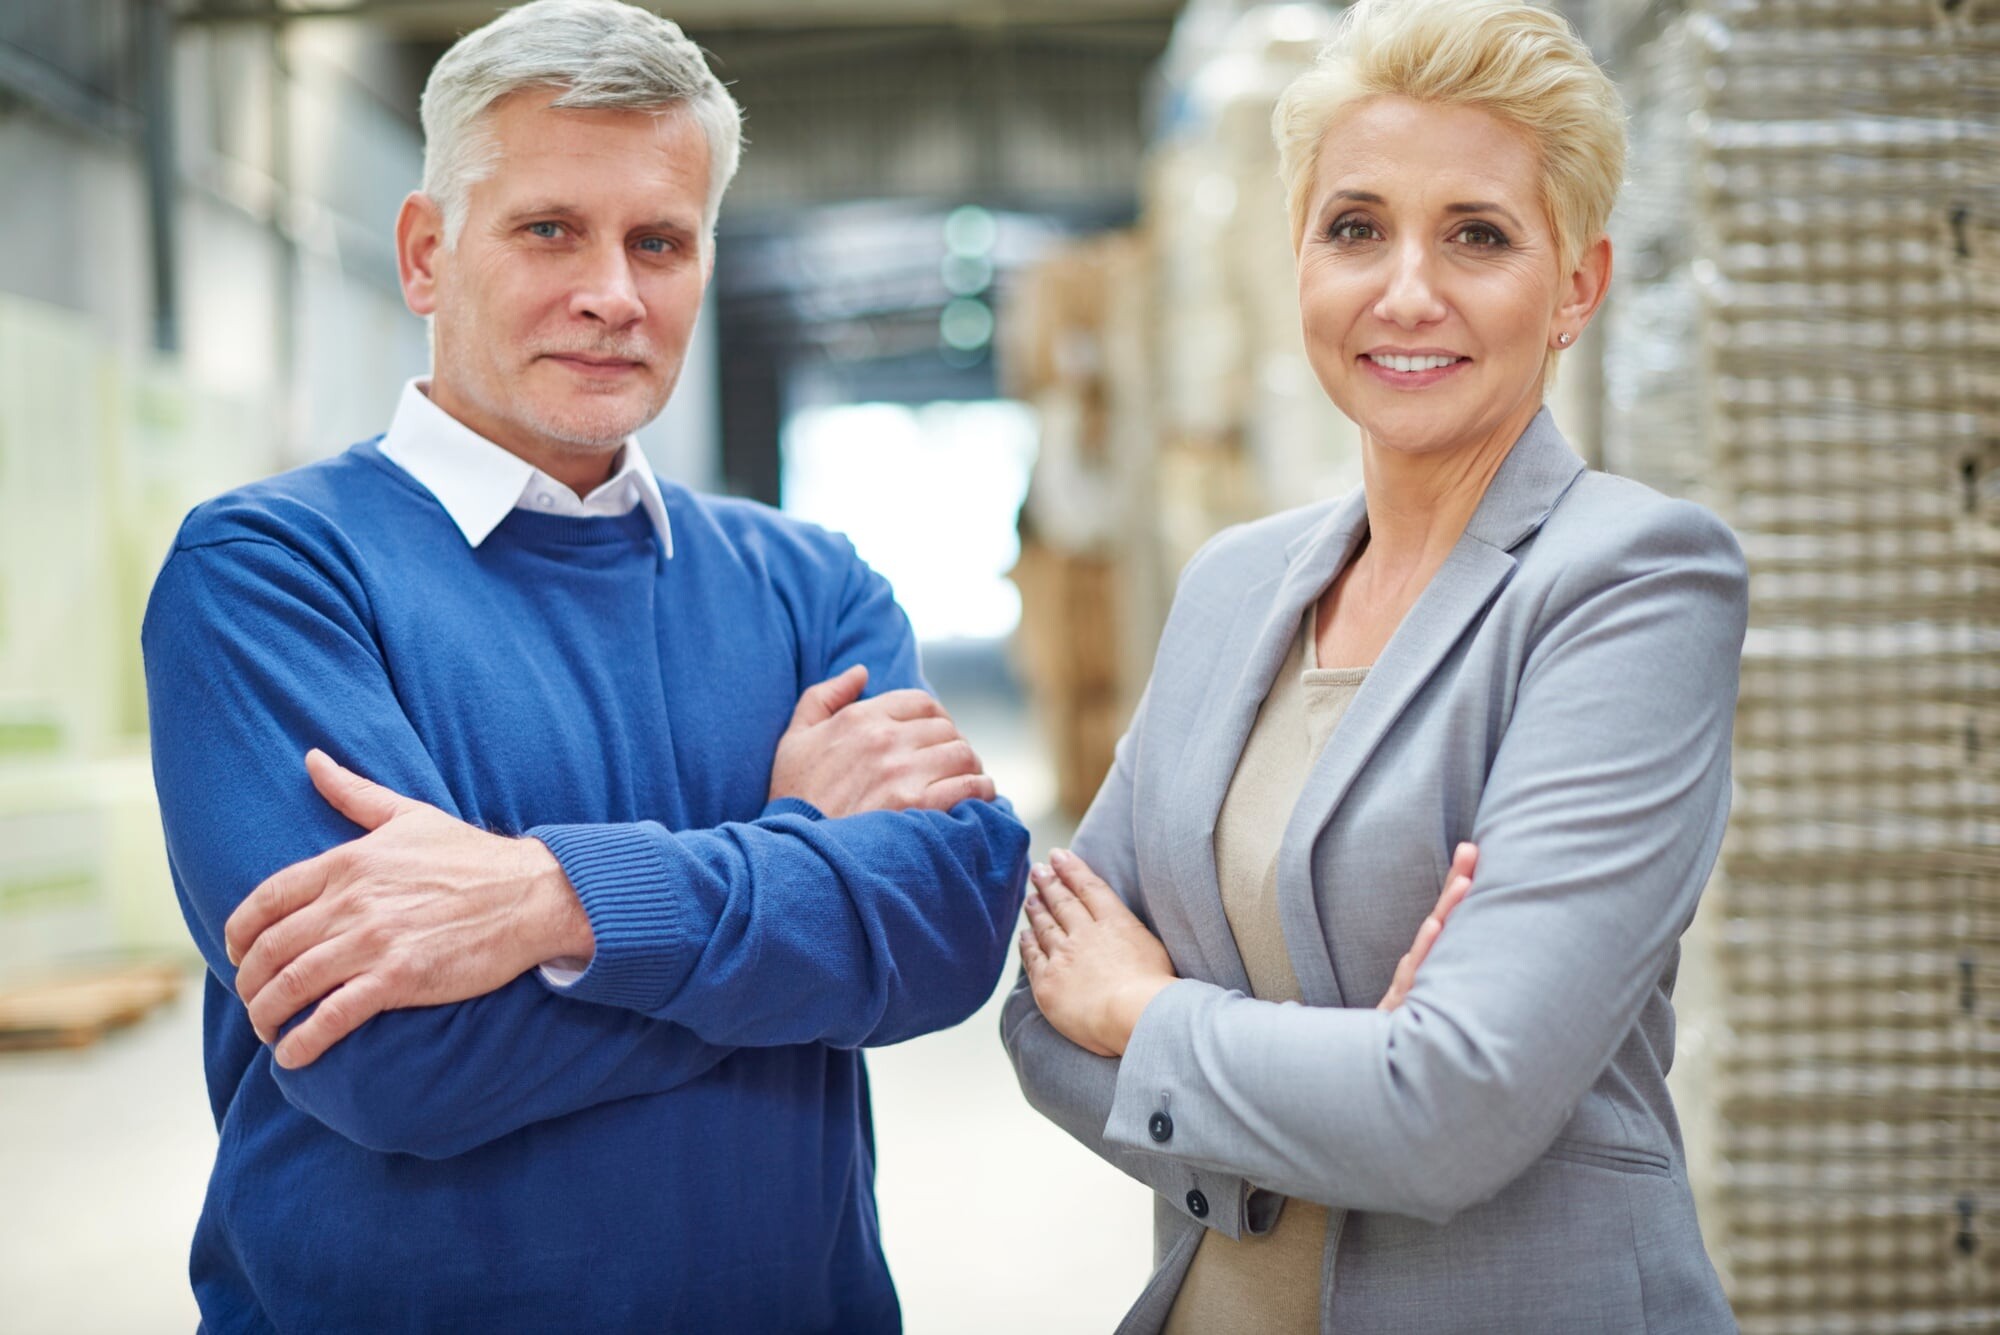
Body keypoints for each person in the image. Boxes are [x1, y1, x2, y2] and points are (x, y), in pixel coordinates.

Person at [142, 2, 1028, 1329]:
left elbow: (947, 932)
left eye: (658, 241)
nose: (613, 291)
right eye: (551, 228)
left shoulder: (809, 584)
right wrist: (795, 873)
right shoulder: (271, 574)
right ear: (427, 254)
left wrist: (551, 905)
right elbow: (393, 1053)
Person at [1002, 1, 1747, 1331]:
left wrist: (1155, 1013)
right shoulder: (1237, 587)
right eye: (1356, 228)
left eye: (1478, 233)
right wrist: (1342, 1088)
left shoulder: (1631, 582)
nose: (1407, 289)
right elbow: (1045, 1018)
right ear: (1298, 261)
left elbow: (1448, 1115)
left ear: (1577, 283)